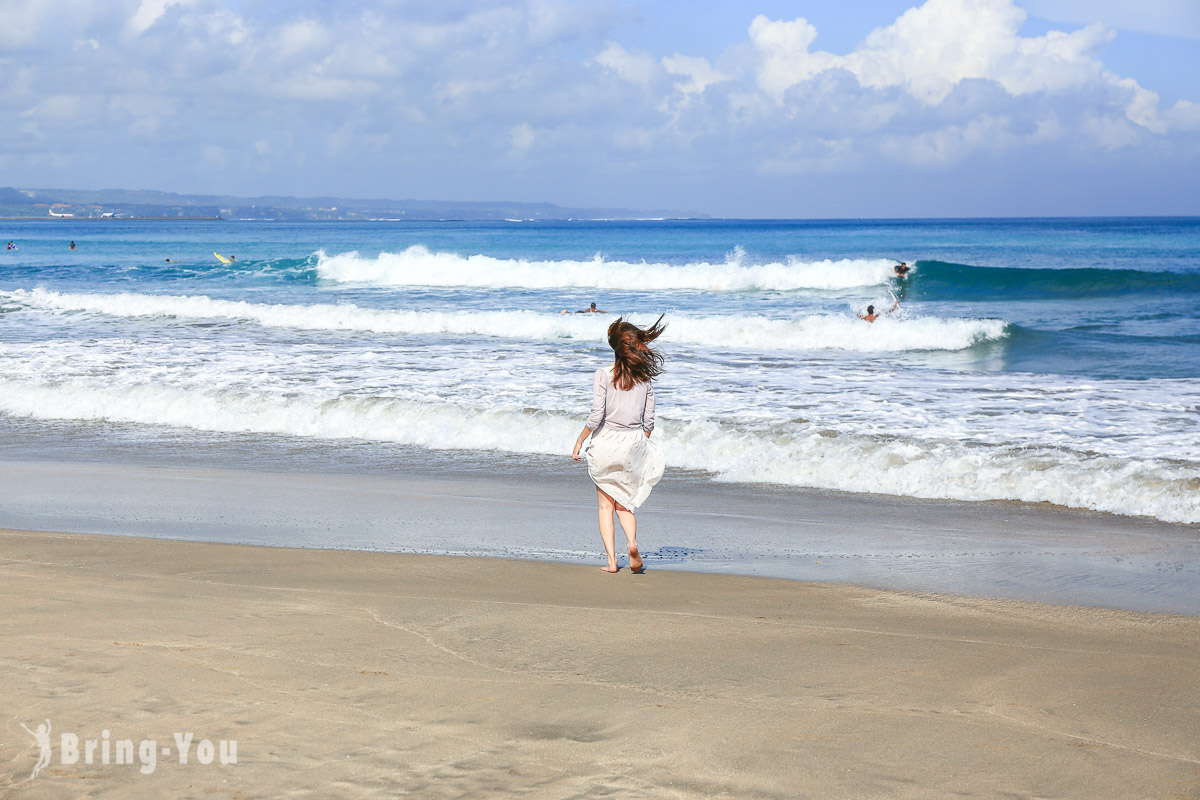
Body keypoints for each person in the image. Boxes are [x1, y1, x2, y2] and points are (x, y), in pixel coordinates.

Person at [571, 316, 667, 573]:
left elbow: (596, 416)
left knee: (605, 505)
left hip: (605, 442)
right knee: (625, 502)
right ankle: (633, 543)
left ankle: (612, 562)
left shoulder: (603, 375)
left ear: (614, 346)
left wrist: (580, 441)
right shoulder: (645, 379)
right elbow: (649, 421)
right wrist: (639, 444)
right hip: (633, 442)